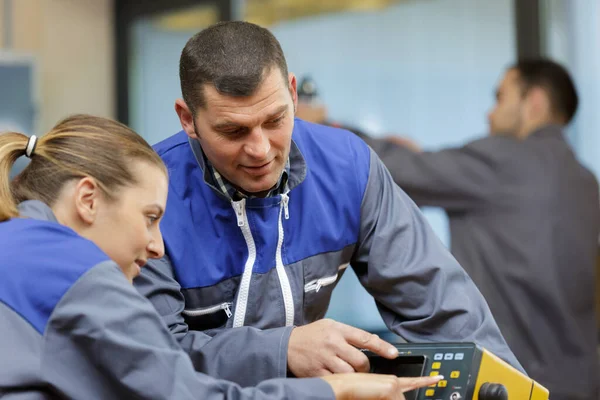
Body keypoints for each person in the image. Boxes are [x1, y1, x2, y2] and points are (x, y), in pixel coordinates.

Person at [134, 20, 522, 387]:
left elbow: (442, 309)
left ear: (292, 92)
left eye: (275, 120)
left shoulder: (347, 167)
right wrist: (282, 349)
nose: (260, 149)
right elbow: (151, 358)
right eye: (233, 131)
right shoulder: (147, 196)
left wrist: (508, 388)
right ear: (188, 119)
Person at [0, 114, 442, 399]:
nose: (157, 246)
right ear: (88, 200)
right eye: (150, 217)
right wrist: (335, 390)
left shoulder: (13, 247)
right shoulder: (74, 271)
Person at [362, 59, 600, 400]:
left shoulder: (505, 162)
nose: (491, 114)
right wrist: (432, 164)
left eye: (501, 97)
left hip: (514, 383)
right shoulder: (585, 181)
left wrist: (326, 126)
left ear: (533, 102)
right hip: (583, 384)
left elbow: (396, 170)